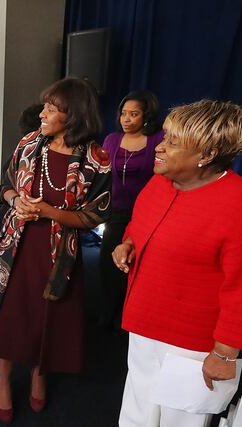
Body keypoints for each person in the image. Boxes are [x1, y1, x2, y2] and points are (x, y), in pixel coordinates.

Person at [113, 100, 242, 427]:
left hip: (194, 348)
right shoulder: (158, 185)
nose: (159, 145)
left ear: (207, 154)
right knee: (135, 416)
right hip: (145, 324)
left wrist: (224, 354)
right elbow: (138, 226)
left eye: (172, 142)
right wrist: (127, 244)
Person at [0, 78, 111, 423]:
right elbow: (5, 185)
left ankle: (40, 375)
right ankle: (4, 381)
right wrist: (16, 201)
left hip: (58, 255)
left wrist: (48, 212)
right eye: (45, 107)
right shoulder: (27, 144)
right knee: (9, 316)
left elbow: (95, 215)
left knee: (47, 318)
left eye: (51, 109)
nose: (42, 113)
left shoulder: (97, 160)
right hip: (16, 247)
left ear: (74, 115)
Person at [98, 90, 164, 331]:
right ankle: (109, 309)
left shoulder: (159, 139)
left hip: (148, 213)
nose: (126, 119)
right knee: (109, 263)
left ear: (146, 116)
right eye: (123, 114)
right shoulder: (112, 140)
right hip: (116, 211)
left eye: (133, 114)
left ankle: (130, 313)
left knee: (141, 265)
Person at [0, 103, 45, 240]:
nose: (44, 115)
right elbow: (5, 187)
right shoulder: (23, 155)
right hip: (15, 223)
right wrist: (17, 201)